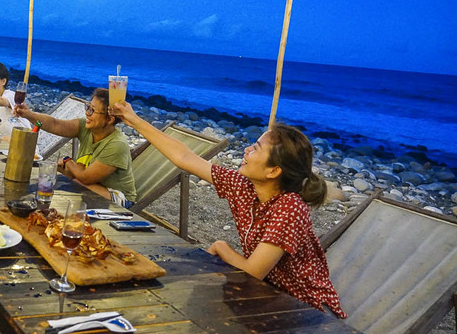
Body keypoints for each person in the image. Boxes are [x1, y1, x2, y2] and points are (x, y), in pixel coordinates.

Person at [110, 101, 346, 318]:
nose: (246, 151)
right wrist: (133, 120)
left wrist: (222, 247)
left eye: (255, 149)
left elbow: (253, 271)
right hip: (263, 294)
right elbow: (184, 157)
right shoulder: (245, 186)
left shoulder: (290, 207)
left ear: (273, 171)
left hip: (304, 311)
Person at [15, 88, 137, 206]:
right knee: (50, 185)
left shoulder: (116, 144)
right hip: (88, 185)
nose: (87, 113)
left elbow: (85, 178)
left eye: (92, 110)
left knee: (69, 183)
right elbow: (55, 124)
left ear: (110, 119)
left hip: (117, 196)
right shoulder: (86, 126)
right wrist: (28, 114)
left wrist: (69, 162)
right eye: (88, 107)